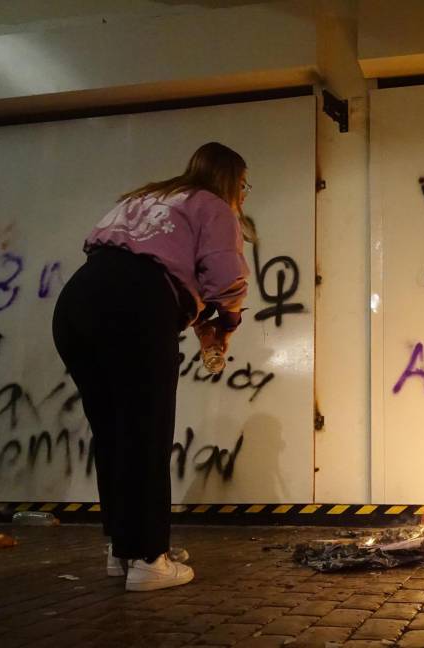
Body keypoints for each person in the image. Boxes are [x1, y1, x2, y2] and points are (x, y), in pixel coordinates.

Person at [52, 142, 253, 591]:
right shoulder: (214, 205)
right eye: (244, 185)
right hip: (135, 308)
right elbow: (226, 279)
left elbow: (134, 258)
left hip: (77, 303)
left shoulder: (144, 197)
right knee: (146, 432)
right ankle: (148, 560)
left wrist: (193, 313)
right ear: (232, 181)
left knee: (113, 432)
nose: (244, 194)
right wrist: (229, 320)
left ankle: (122, 550)